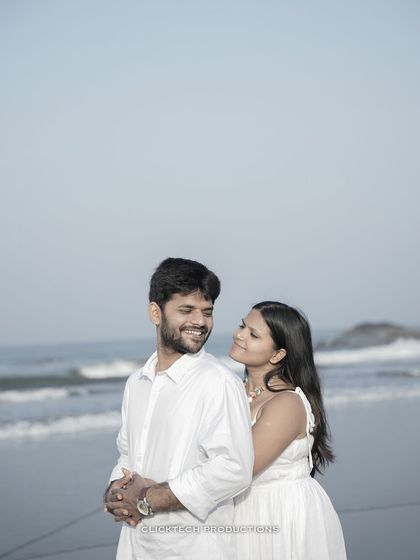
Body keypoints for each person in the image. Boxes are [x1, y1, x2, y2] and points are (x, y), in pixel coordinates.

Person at [104, 257, 254, 560]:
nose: (200, 322)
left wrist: (148, 499)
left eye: (207, 312)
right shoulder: (137, 382)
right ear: (155, 313)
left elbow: (233, 468)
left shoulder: (219, 382)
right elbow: (127, 452)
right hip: (136, 545)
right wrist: (114, 492)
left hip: (194, 548)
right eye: (186, 310)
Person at [230, 301, 346, 560]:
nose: (239, 334)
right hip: (239, 510)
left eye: (253, 334)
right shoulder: (232, 391)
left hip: (280, 514)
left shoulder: (285, 403)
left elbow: (239, 467)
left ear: (277, 355)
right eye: (242, 326)